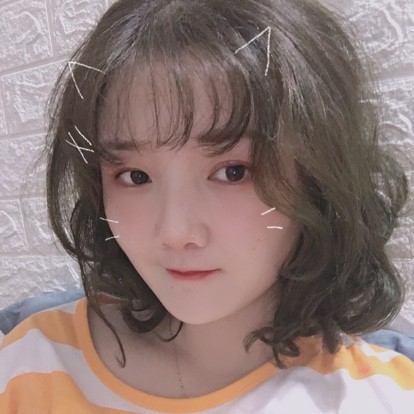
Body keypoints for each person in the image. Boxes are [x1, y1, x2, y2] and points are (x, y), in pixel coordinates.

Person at [1, 0, 413, 412]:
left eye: (233, 172)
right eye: (135, 177)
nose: (175, 233)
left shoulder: (384, 396)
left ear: (318, 175)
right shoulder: (26, 364)